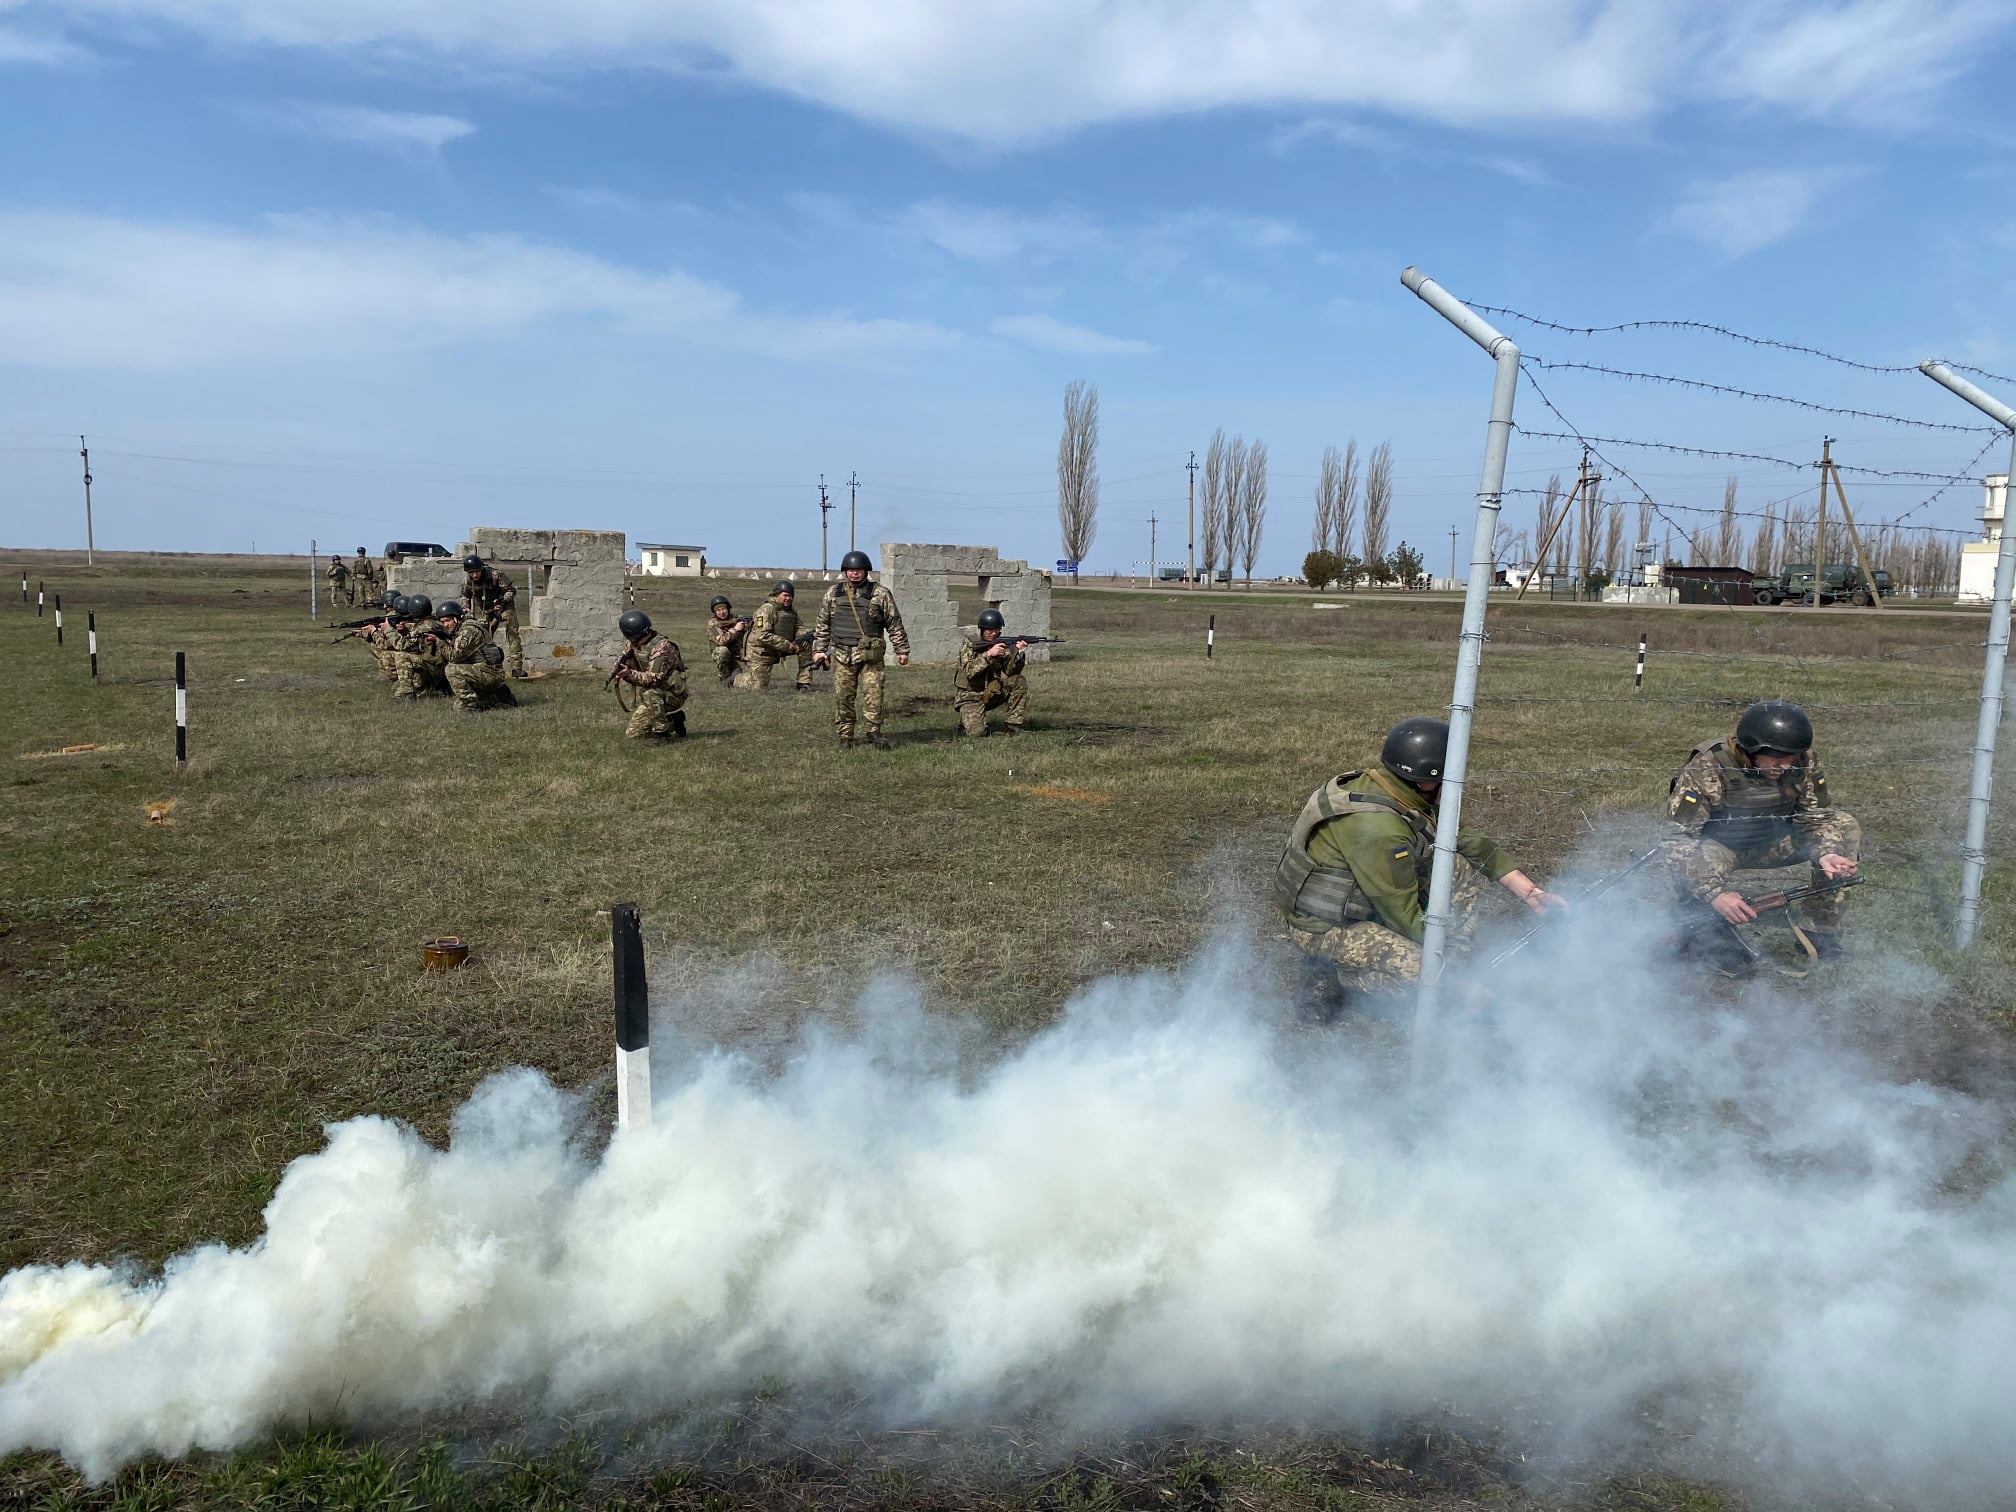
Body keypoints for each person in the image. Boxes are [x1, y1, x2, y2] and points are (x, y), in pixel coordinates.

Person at [1274, 715, 1561, 1002]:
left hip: (1366, 896)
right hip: (1324, 926)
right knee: (1427, 977)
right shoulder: (1379, 830)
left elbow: (1460, 836)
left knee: (1457, 869)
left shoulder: (1391, 787)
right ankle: (1332, 974)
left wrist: (1530, 893)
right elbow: (1403, 917)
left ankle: (1452, 966)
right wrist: (1453, 985)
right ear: (1426, 781)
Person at [1661, 699, 1860, 956]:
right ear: (1751, 750)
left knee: (1845, 825)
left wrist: (1828, 852)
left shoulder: (1802, 760)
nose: (1786, 766)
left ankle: (1819, 930)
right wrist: (1714, 893)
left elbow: (1816, 816)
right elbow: (1677, 838)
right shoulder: (1709, 766)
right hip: (1721, 847)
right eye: (1777, 759)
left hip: (1775, 841)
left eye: (1790, 758)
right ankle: (1695, 932)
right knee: (1692, 863)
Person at [811, 550, 910, 749]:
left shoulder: (880, 593)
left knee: (874, 694)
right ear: (845, 571)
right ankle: (845, 734)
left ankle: (874, 732)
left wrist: (902, 649)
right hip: (842, 656)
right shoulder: (833, 593)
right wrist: (819, 649)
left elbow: (894, 623)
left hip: (870, 657)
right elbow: (823, 623)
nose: (854, 573)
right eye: (850, 570)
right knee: (844, 697)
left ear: (866, 571)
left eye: (859, 570)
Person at [952, 608, 1030, 737]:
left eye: (997, 630)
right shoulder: (970, 644)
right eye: (990, 630)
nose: (994, 633)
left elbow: (1010, 672)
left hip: (991, 692)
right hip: (970, 696)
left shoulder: (999, 645)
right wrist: (989, 654)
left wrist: (1018, 654)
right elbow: (969, 671)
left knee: (1018, 681)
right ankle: (966, 723)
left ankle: (1013, 727)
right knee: (977, 733)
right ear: (982, 629)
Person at [613, 609, 687, 740]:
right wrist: (620, 668)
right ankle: (674, 720)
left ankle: (662, 733)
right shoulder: (633, 644)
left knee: (649, 692)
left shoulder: (662, 647)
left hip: (672, 694)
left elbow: (652, 679)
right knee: (634, 734)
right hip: (654, 697)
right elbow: (623, 659)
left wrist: (629, 674)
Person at [436, 601, 518, 711]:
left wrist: (439, 642)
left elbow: (454, 657)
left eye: (448, 620)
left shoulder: (469, 630)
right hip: (485, 671)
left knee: (451, 669)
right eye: (443, 622)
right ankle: (499, 697)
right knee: (458, 705)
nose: (446, 625)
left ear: (456, 618)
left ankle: (469, 705)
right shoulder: (462, 628)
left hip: (489, 673)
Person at [742, 581, 815, 692]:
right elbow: (762, 635)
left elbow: (798, 628)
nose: (788, 598)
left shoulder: (791, 611)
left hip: (782, 646)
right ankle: (735, 677)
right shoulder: (767, 609)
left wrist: (805, 635)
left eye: (791, 596)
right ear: (776, 595)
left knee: (806, 643)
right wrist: (786, 645)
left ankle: (804, 682)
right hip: (761, 651)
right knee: (757, 687)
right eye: (785, 595)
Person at [463, 555, 528, 678]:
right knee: (482, 636)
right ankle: (487, 667)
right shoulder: (469, 580)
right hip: (484, 609)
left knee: (512, 633)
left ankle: (516, 667)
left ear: (481, 569)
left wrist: (502, 601)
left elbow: (511, 590)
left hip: (504, 606)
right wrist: (466, 607)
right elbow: (465, 595)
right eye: (471, 572)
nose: (474, 575)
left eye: (476, 572)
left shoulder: (495, 575)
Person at [389, 594, 449, 698]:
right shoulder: (434, 623)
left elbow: (401, 645)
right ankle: (429, 690)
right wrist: (405, 632)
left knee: (401, 655)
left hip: (434, 667)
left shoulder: (424, 627)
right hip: (436, 665)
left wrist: (389, 631)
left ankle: (407, 693)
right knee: (396, 687)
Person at [704, 595, 750, 686]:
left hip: (740, 654)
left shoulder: (736, 619)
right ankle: (724, 676)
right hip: (724, 655)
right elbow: (721, 641)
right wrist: (735, 629)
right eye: (718, 610)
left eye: (723, 609)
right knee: (722, 650)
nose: (722, 612)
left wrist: (746, 626)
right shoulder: (713, 624)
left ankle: (737, 675)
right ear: (715, 612)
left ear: (728, 609)